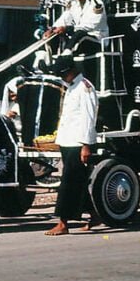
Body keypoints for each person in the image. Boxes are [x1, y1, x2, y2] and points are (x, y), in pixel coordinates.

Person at [45, 55, 100, 236]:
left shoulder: (85, 88)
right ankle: (94, 214)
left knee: (68, 183)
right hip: (67, 141)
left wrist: (86, 145)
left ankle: (63, 222)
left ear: (71, 71)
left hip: (77, 142)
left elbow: (88, 118)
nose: (61, 78)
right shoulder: (71, 88)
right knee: (78, 182)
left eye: (63, 75)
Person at [42, 0, 108, 55]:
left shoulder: (97, 4)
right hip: (78, 38)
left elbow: (90, 26)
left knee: (80, 34)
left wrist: (68, 28)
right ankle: (46, 58)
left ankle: (63, 59)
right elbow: (64, 19)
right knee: (52, 35)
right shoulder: (73, 4)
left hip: (97, 39)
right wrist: (53, 29)